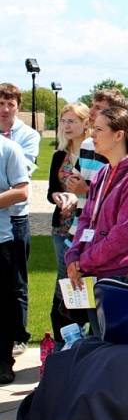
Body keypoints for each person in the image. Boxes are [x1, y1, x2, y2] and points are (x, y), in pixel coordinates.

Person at [64, 107, 128, 296]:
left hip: (117, 275)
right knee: (92, 325)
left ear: (118, 135)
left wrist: (84, 261)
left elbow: (125, 234)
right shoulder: (102, 173)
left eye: (99, 129)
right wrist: (73, 255)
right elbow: (86, 218)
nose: (92, 135)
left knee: (111, 326)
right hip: (92, 269)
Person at [46, 102, 91, 344]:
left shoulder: (94, 153)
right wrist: (58, 196)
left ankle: (82, 339)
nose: (66, 126)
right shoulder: (59, 155)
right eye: (63, 121)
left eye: (72, 121)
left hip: (86, 229)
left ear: (86, 123)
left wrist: (82, 192)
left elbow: (104, 190)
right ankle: (64, 341)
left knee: (82, 281)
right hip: (61, 227)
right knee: (64, 284)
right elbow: (51, 191)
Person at [0, 82, 40, 354]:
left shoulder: (26, 136)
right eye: (0, 104)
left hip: (16, 218)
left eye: (10, 104)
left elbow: (21, 173)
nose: (4, 109)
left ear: (18, 107)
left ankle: (18, 335)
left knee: (16, 281)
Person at [0, 134, 29, 383]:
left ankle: (3, 361)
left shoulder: (8, 149)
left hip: (1, 239)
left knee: (3, 305)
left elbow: (22, 191)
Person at [65, 88, 128, 200]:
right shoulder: (86, 144)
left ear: (115, 114)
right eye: (92, 105)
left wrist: (87, 191)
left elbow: (119, 197)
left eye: (98, 108)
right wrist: (71, 191)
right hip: (81, 216)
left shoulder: (123, 153)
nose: (90, 111)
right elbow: (77, 181)